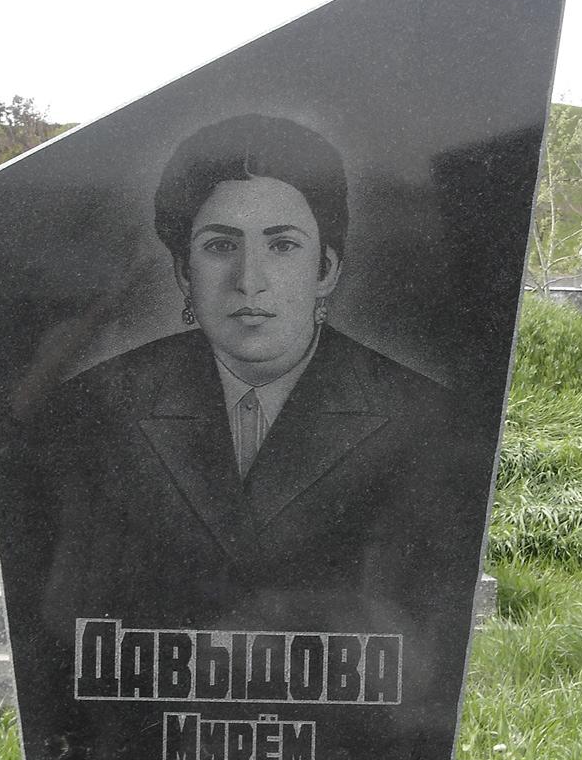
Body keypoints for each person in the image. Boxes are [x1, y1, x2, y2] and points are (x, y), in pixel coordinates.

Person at [39, 114, 475, 727]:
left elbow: (422, 639)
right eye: (220, 246)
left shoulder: (421, 417)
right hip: (143, 738)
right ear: (183, 272)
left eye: (282, 245)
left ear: (326, 268)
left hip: (348, 746)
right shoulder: (96, 408)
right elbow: (66, 613)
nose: (249, 281)